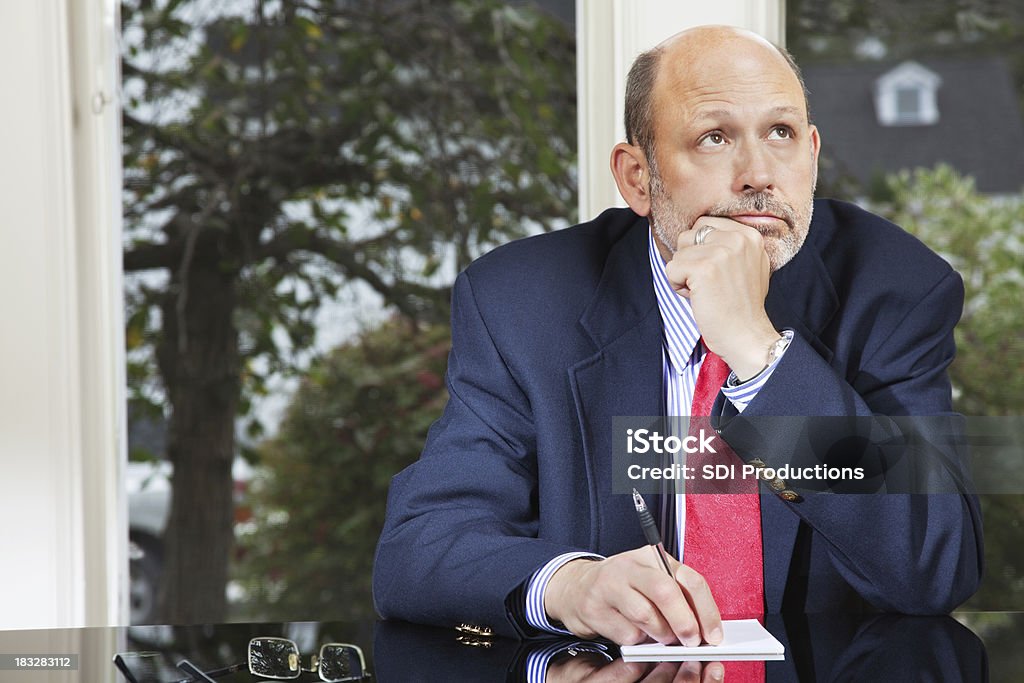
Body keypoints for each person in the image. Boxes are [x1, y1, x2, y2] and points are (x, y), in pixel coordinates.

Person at [372, 25, 983, 645]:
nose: (758, 175)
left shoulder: (895, 289)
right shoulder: (522, 301)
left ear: (813, 153)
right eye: (714, 138)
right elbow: (421, 547)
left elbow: (934, 568)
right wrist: (570, 585)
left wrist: (759, 353)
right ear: (638, 177)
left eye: (782, 134)